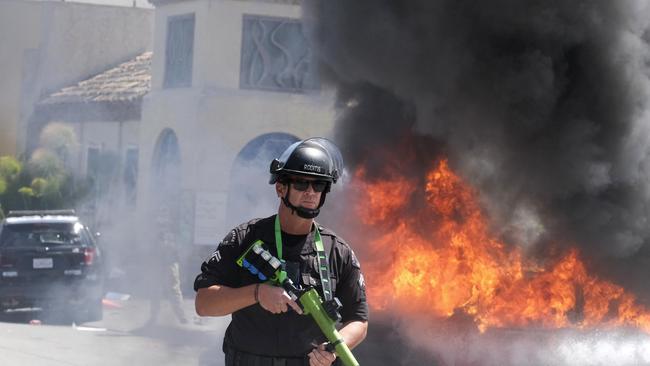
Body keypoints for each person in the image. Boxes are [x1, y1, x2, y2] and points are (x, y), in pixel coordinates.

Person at [194, 137, 368, 366]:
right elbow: (204, 303)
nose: (310, 192)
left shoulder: (337, 252)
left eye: (319, 185)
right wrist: (257, 293)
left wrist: (334, 348)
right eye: (301, 184)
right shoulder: (245, 238)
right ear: (280, 188)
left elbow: (358, 320)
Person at [146, 211, 188, 326]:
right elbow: (152, 249)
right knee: (156, 291)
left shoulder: (172, 233)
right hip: (161, 263)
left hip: (170, 263)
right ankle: (154, 317)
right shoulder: (158, 233)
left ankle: (181, 316)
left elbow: (177, 248)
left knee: (173, 290)